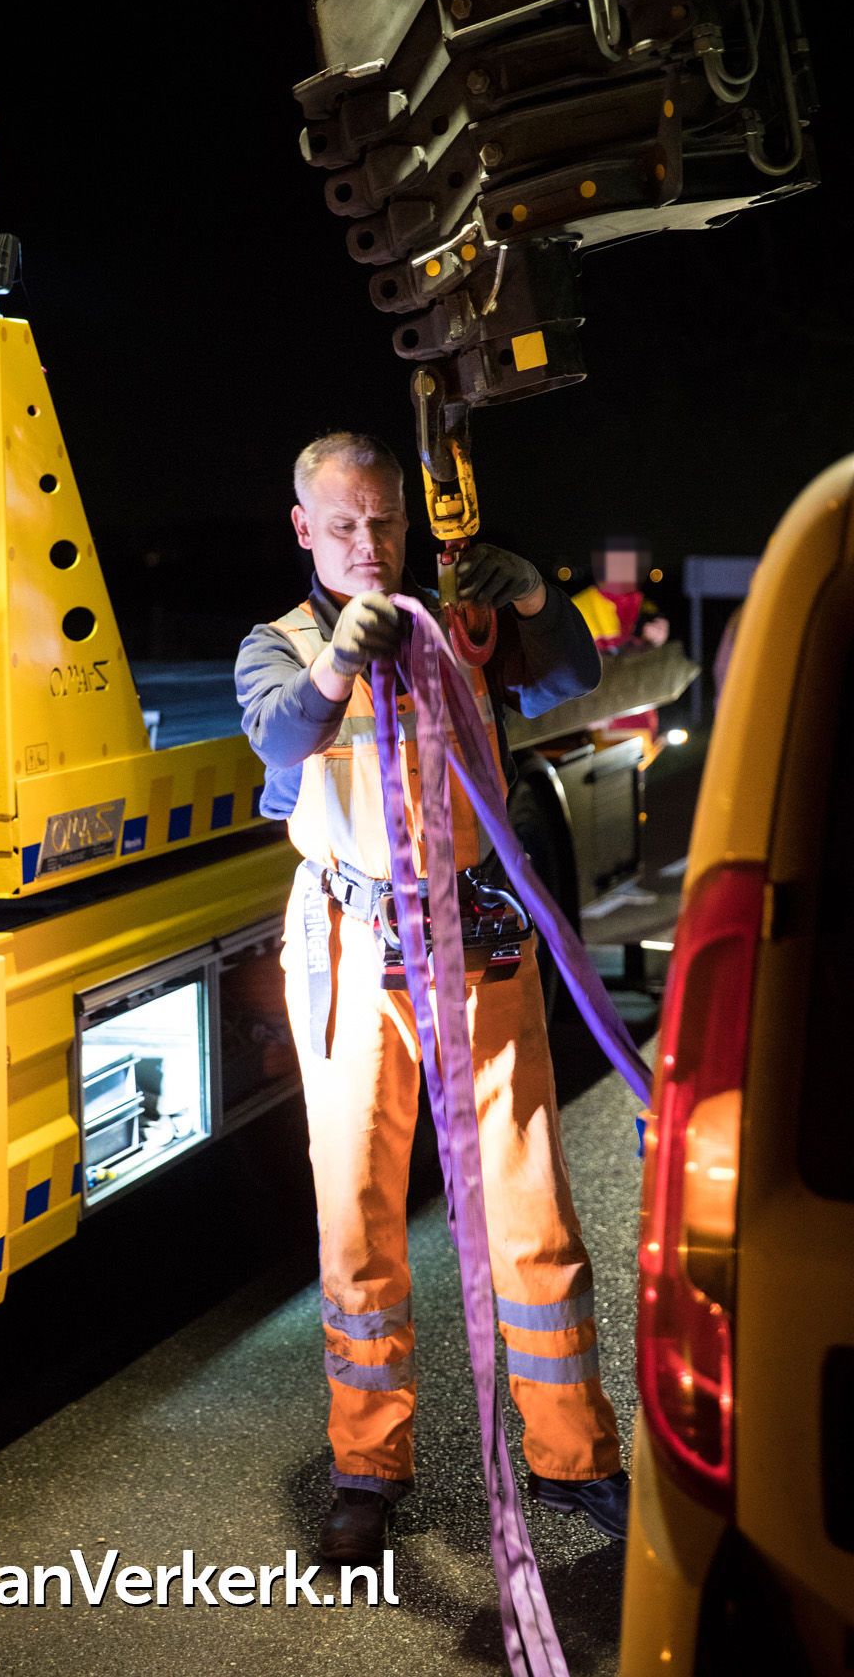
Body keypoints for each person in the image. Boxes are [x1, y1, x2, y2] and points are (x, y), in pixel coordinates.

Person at [235, 432, 629, 1563]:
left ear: (406, 522)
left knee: (530, 1205)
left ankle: (574, 1459)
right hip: (352, 947)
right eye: (344, 524)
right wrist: (336, 662)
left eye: (384, 521)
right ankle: (367, 1469)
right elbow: (277, 728)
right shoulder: (279, 646)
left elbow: (571, 674)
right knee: (357, 1216)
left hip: (474, 941)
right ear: (305, 528)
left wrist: (536, 596)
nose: (369, 542)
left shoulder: (459, 625)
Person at [571, 536, 669, 739]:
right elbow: (566, 669)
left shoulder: (645, 606)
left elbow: (652, 664)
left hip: (641, 715)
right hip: (598, 722)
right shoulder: (578, 607)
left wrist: (659, 640)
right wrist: (583, 709)